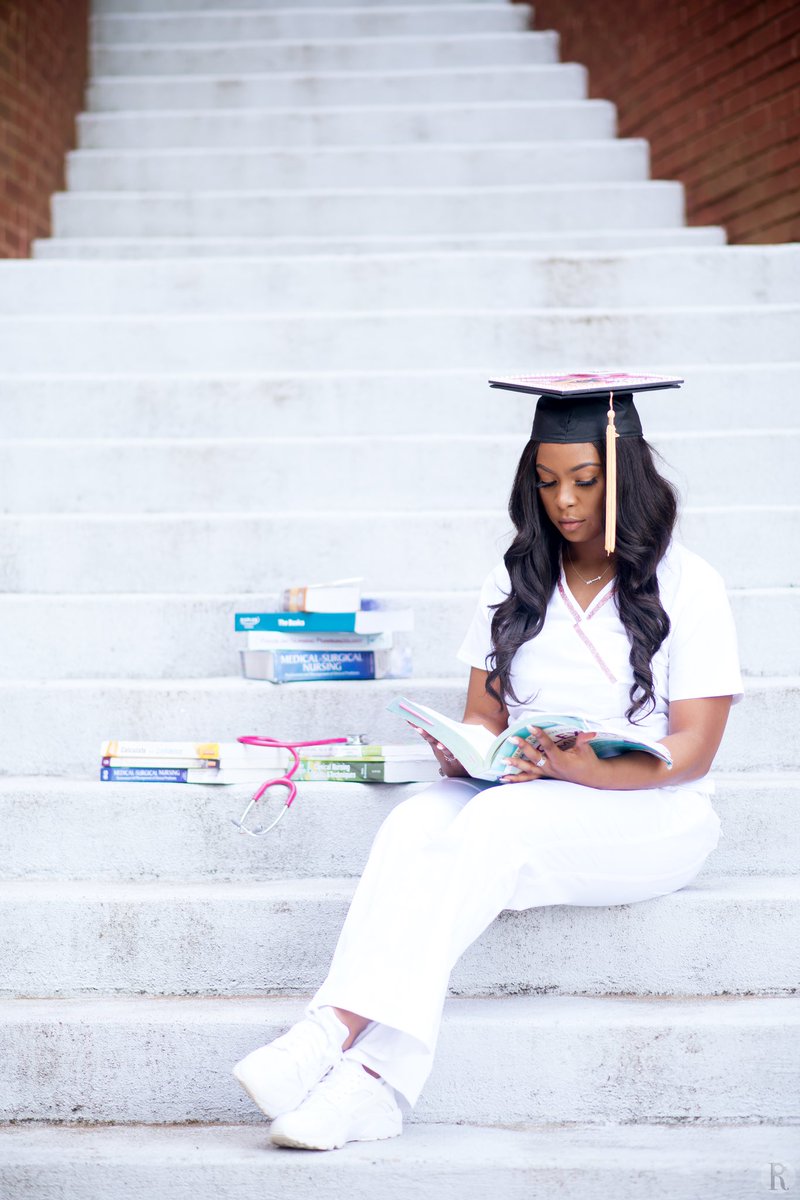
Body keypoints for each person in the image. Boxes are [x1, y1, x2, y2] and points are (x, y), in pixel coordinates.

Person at [232, 376, 744, 1151]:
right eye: (546, 483)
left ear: (624, 474)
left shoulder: (690, 583)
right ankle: (373, 1090)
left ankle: (331, 1036)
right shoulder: (515, 578)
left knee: (500, 820)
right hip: (535, 787)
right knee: (413, 824)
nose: (563, 503)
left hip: (653, 811)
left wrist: (580, 770)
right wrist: (466, 747)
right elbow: (486, 713)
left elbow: (695, 748)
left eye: (583, 480)